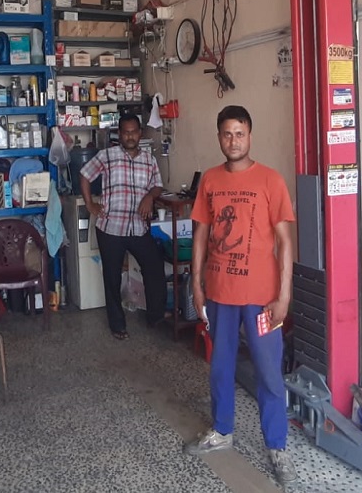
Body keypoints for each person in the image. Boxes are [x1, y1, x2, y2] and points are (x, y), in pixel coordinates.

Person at [183, 105, 298, 485]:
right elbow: (200, 235)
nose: (233, 141)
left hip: (262, 297)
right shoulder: (211, 180)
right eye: (227, 134)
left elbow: (285, 241)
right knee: (220, 366)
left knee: (268, 372)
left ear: (250, 136)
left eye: (240, 133)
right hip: (220, 293)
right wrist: (197, 284)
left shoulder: (270, 180)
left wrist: (284, 295)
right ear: (219, 137)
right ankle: (222, 430)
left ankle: (277, 446)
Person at [80, 114, 167, 340]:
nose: (130, 136)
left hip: (138, 228)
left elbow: (158, 185)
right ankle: (117, 325)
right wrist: (90, 204)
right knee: (112, 278)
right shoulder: (107, 156)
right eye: (126, 132)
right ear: (119, 134)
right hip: (111, 227)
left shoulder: (149, 160)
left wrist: (150, 196)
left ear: (140, 133)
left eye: (134, 132)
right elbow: (85, 175)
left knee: (154, 268)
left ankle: (155, 317)